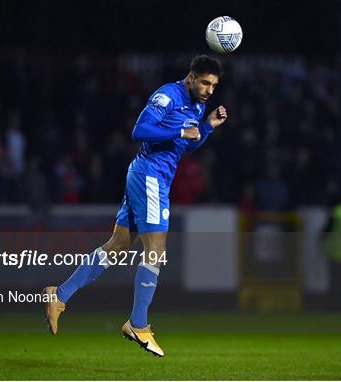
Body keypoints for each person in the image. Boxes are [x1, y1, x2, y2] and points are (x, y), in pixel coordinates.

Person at [43, 55, 227, 357]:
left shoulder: (198, 106)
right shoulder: (168, 95)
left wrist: (206, 127)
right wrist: (180, 131)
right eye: (205, 83)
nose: (209, 90)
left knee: (117, 246)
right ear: (191, 78)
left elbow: (186, 145)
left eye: (214, 86)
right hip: (149, 176)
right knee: (156, 248)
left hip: (154, 177)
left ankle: (59, 295)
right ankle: (138, 323)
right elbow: (139, 130)